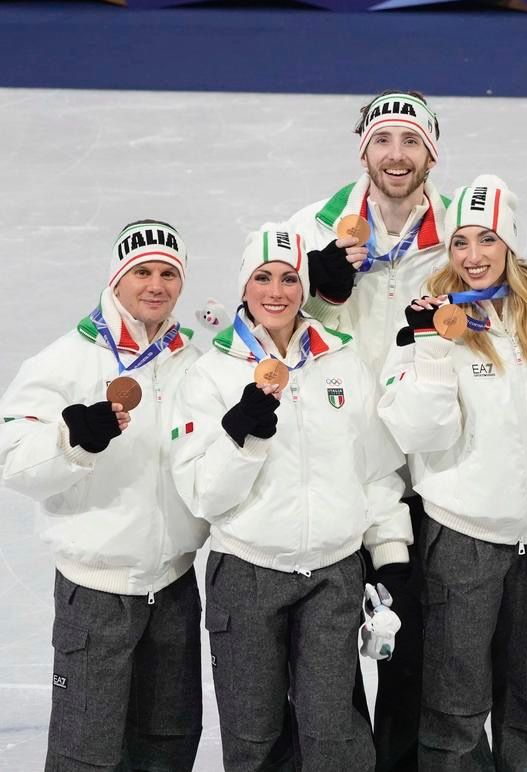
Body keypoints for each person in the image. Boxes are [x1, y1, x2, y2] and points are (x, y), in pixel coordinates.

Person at [170, 223, 412, 772]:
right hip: (247, 571)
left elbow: (376, 468)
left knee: (332, 735)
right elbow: (204, 496)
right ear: (243, 286)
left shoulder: (341, 362)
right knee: (254, 736)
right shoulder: (210, 374)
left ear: (304, 286)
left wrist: (391, 551)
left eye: (288, 278)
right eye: (262, 278)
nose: (275, 291)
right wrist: (241, 437)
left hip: (333, 575)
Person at [378, 174, 527, 771]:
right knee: (455, 704)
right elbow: (419, 435)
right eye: (459, 242)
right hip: (464, 539)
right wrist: (432, 352)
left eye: (486, 239)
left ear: (508, 243)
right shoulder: (425, 320)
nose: (472, 256)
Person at [0, 220, 207, 771]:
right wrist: (71, 441)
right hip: (96, 591)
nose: (156, 285)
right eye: (142, 272)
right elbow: (11, 457)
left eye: (168, 274)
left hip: (174, 586)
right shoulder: (66, 359)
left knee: (168, 745)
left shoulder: (191, 361)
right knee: (85, 754)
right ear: (117, 278)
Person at [288, 89, 450, 770]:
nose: (396, 154)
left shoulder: (460, 238)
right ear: (363, 152)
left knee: (411, 648)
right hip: (331, 468)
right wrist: (310, 287)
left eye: (411, 141)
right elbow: (259, 312)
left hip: (417, 474)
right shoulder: (311, 229)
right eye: (382, 140)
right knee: (326, 655)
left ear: (431, 155)